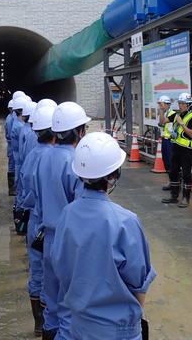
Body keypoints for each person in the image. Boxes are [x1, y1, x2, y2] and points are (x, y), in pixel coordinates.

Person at [51, 132, 156, 340]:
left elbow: (60, 267)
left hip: (78, 323)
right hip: (117, 329)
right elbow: (138, 280)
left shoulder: (67, 214)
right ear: (114, 175)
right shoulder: (125, 221)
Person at [34, 101, 90, 339]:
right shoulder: (75, 163)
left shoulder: (43, 157)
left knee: (52, 303)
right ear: (79, 131)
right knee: (69, 306)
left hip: (47, 237)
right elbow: (80, 210)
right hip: (68, 241)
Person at [18, 104, 56, 336]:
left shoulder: (33, 154)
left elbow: (27, 192)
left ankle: (39, 323)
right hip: (51, 225)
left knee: (37, 272)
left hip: (35, 221)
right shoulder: (55, 158)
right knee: (53, 277)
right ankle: (50, 322)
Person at [161, 93, 192, 208]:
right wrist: (162, 110)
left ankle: (186, 198)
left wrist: (182, 124)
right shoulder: (177, 115)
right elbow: (163, 121)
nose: (180, 105)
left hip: (187, 150)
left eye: (183, 103)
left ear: (188, 105)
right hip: (176, 148)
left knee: (186, 174)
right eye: (179, 103)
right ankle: (174, 196)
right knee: (174, 172)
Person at [156, 95, 175, 191]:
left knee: (171, 162)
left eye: (162, 104)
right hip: (164, 140)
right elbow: (160, 123)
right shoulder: (163, 113)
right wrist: (162, 112)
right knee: (166, 162)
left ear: (168, 104)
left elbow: (163, 122)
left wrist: (162, 113)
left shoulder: (172, 114)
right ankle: (171, 181)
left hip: (170, 141)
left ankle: (175, 182)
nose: (161, 106)